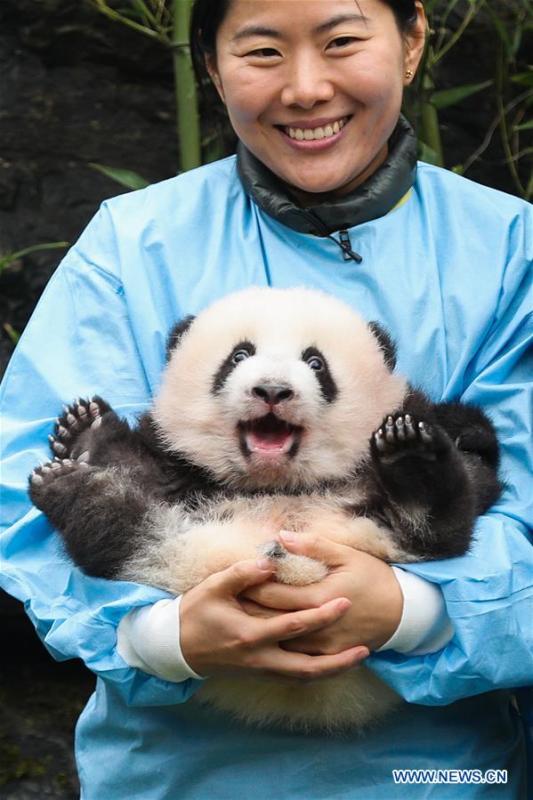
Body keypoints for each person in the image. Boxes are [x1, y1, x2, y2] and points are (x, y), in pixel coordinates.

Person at [0, 0, 531, 796]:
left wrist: (408, 611)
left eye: (342, 41)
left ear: (413, 41)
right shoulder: (130, 247)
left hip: (443, 774)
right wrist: (160, 637)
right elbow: (18, 499)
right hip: (180, 774)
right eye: (261, 50)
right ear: (210, 65)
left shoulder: (509, 252)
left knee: (444, 481)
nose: (306, 86)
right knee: (133, 490)